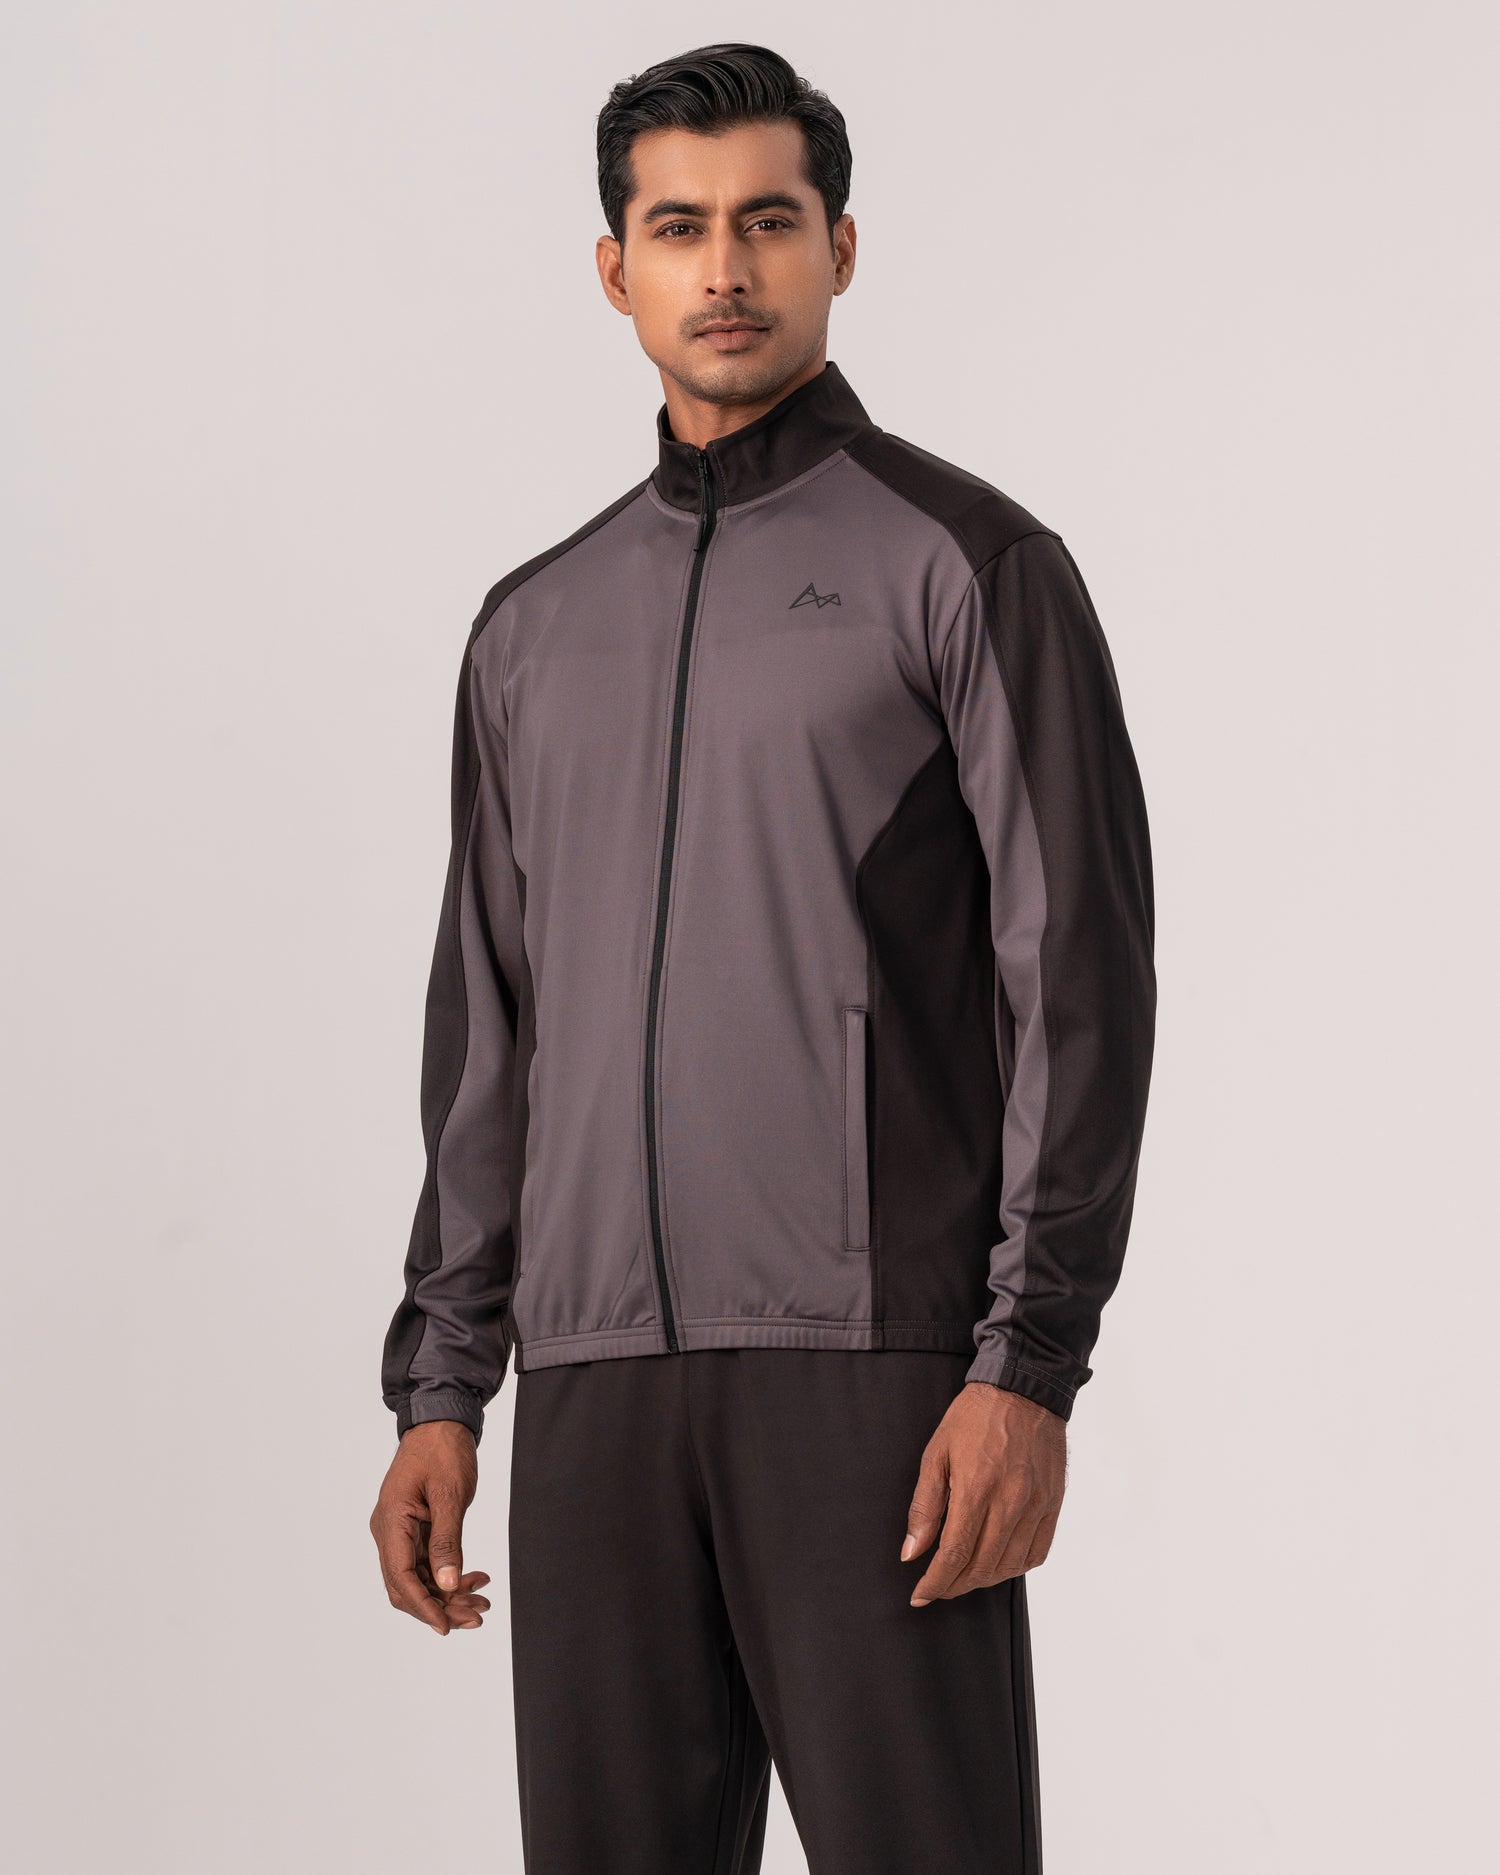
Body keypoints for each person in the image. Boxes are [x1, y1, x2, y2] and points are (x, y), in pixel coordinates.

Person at [369, 41, 1156, 1875]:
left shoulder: (968, 564)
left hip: (876, 1372)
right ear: (614, 268)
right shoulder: (531, 627)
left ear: (840, 248)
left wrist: (1026, 1366)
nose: (725, 268)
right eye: (679, 228)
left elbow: (1079, 985)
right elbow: (488, 1036)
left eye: (768, 222)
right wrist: (442, 1387)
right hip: (593, 1392)